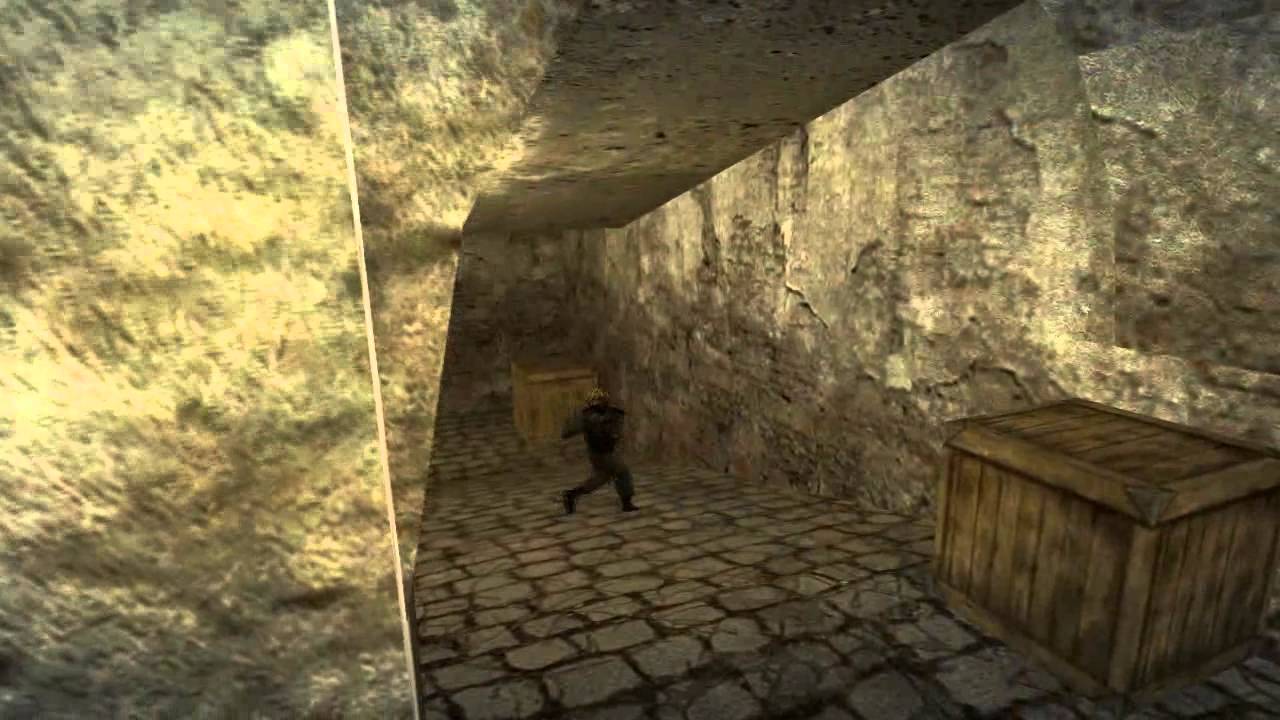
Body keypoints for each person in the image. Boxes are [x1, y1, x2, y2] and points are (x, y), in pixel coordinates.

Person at [560, 387, 638, 514]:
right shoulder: (586, 416)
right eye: (597, 401)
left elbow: (616, 428)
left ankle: (572, 495)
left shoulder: (610, 413)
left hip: (602, 452)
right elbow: (567, 431)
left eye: (601, 400)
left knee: (600, 479)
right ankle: (626, 503)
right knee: (623, 472)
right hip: (602, 453)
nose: (599, 403)